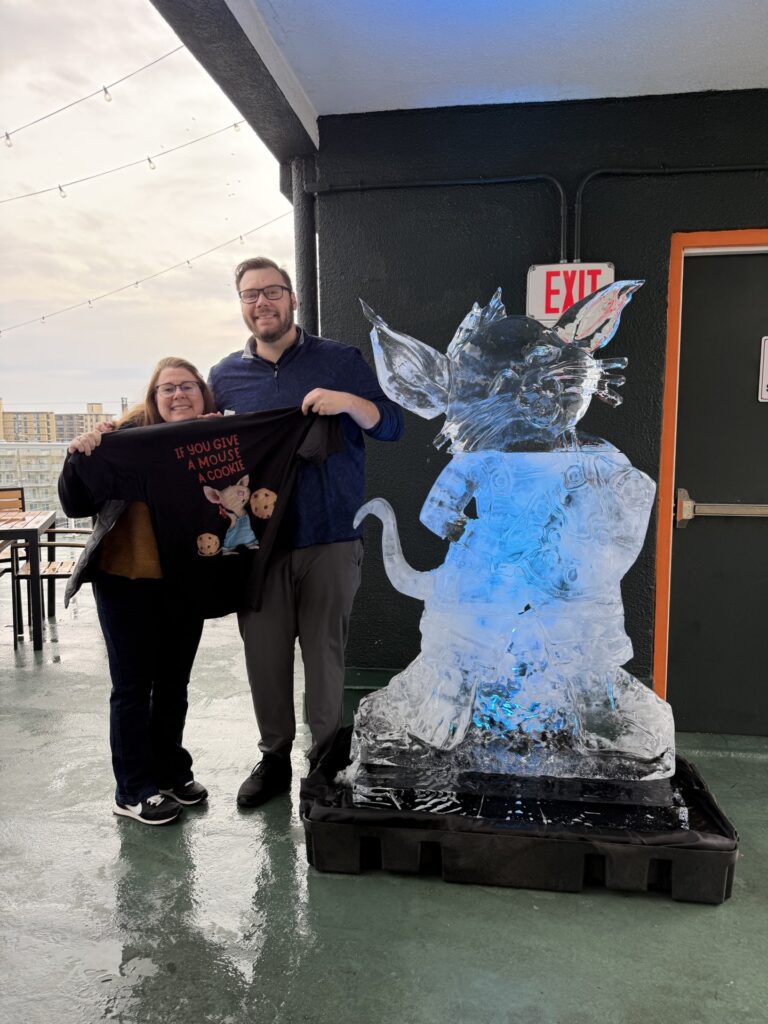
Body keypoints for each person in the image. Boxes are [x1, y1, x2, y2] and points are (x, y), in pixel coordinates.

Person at [208, 256, 404, 807]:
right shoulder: (224, 378)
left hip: (331, 536)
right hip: (259, 547)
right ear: (242, 306)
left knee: (325, 658)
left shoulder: (338, 360)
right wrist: (111, 435)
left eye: (272, 292)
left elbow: (392, 423)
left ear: (292, 299)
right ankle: (273, 760)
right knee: (264, 659)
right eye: (250, 295)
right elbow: (186, 435)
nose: (262, 303)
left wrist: (348, 403)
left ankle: (323, 764)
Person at [59, 357, 217, 826]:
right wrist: (78, 454)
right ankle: (133, 789)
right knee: (132, 687)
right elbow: (73, 502)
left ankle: (169, 771)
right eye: (167, 388)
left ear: (204, 396)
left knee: (174, 684)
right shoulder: (122, 442)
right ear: (153, 398)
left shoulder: (211, 441)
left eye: (188, 386)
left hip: (183, 580)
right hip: (125, 580)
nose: (178, 395)